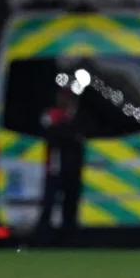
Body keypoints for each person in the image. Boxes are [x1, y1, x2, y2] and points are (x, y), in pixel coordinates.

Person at [34, 89, 84, 246]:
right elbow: (53, 132)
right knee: (49, 201)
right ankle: (43, 237)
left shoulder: (76, 116)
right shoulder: (51, 114)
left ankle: (69, 237)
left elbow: (83, 134)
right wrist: (69, 130)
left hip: (73, 166)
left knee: (70, 203)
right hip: (55, 166)